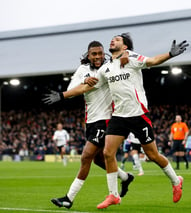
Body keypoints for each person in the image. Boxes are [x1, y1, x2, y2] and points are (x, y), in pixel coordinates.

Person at [57, 33, 189, 209]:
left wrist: (170, 54)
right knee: (107, 154)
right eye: (112, 39)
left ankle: (176, 180)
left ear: (125, 47)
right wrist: (62, 95)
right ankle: (113, 195)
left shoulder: (132, 58)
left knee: (152, 155)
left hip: (138, 115)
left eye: (118, 40)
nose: (113, 40)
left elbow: (153, 61)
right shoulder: (105, 69)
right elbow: (86, 87)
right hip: (119, 116)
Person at [44, 41, 134, 209]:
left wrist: (127, 54)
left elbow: (127, 58)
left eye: (100, 53)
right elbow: (71, 90)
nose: (98, 57)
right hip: (91, 121)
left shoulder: (109, 68)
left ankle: (69, 198)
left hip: (107, 119)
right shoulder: (82, 71)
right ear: (88, 55)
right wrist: (85, 80)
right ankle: (125, 177)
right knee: (98, 159)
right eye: (94, 54)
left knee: (86, 156)